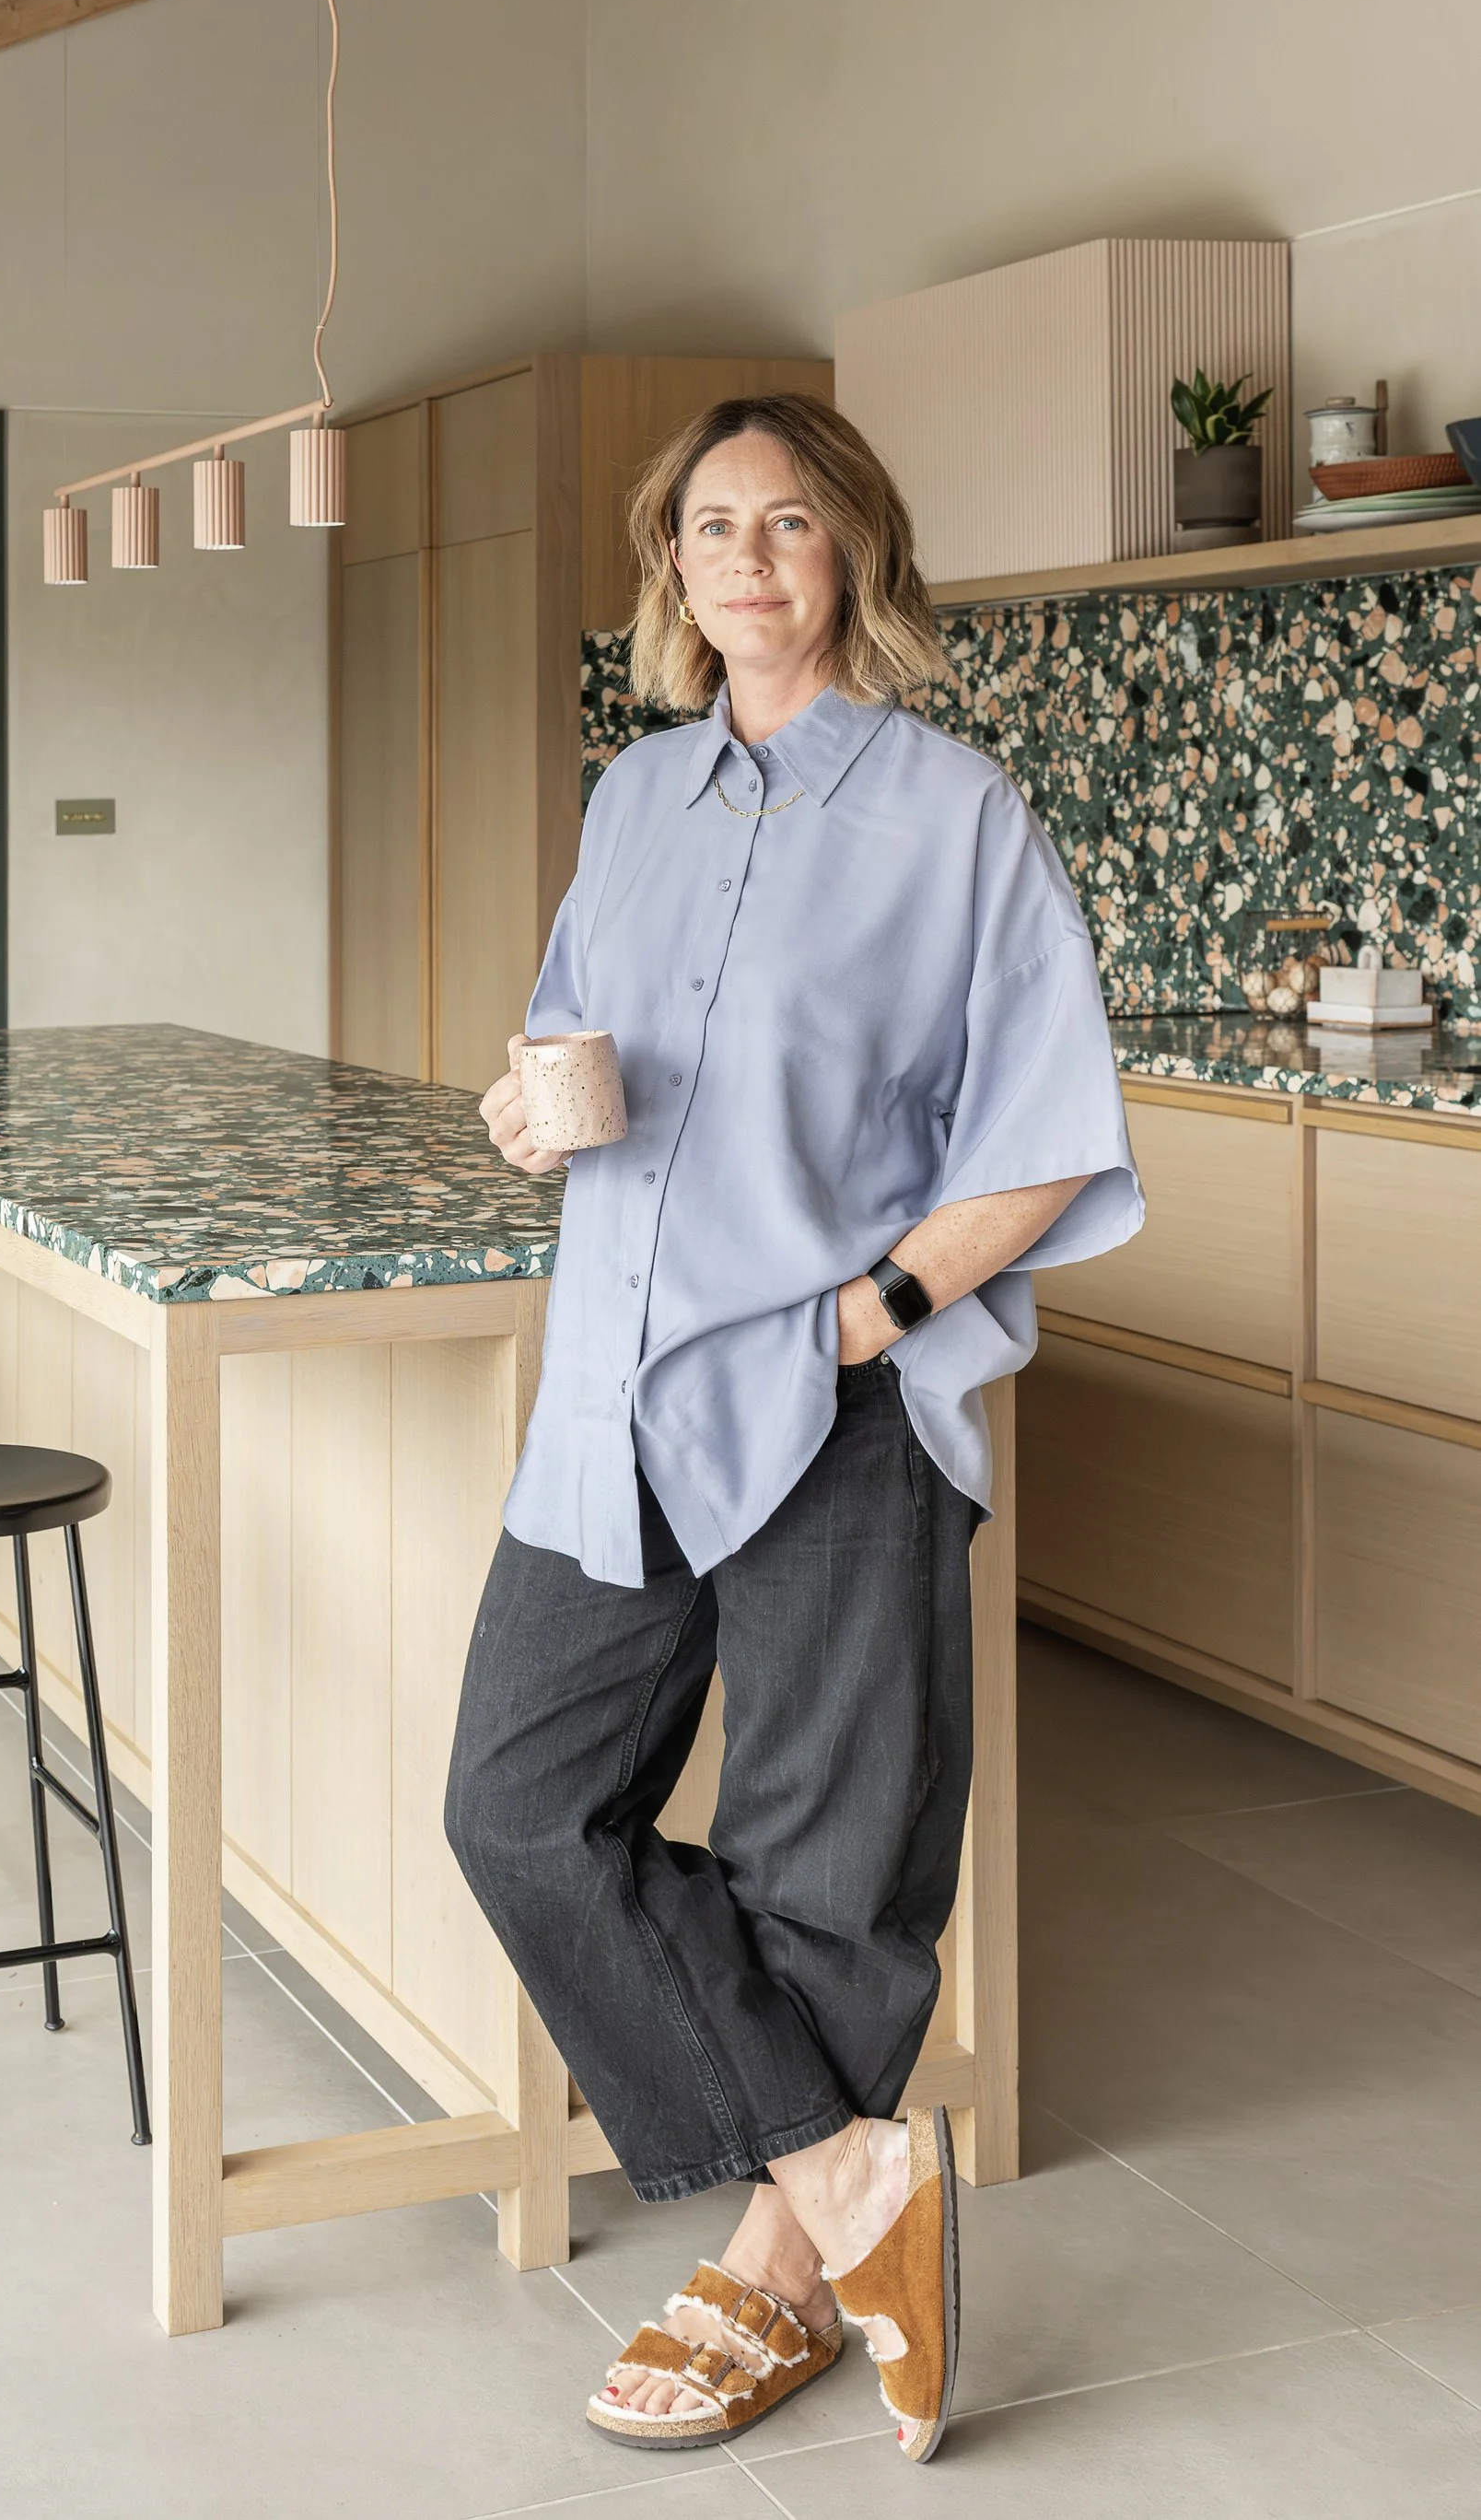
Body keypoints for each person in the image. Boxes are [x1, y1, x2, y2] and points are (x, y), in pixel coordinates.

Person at [445, 394, 1142, 2464]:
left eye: (789, 524)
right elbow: (568, 1042)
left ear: (854, 552)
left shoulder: (956, 818)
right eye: (710, 526)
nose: (745, 561)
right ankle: (849, 2171)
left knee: (825, 1867)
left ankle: (772, 2269)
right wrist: (522, 1106)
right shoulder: (636, 796)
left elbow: (1045, 1137)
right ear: (670, 563)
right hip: (619, 1384)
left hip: (839, 1399)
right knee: (516, 1806)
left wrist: (873, 1312)